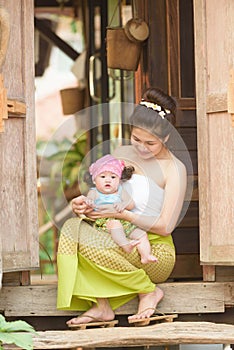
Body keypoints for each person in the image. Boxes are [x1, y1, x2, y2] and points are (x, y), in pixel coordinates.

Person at [57, 86, 187, 326]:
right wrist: (84, 204)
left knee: (90, 244)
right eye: (136, 139)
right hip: (117, 239)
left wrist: (125, 214)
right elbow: (104, 193)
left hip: (153, 252)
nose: (142, 147)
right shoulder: (121, 153)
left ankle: (148, 290)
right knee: (72, 229)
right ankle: (101, 306)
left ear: (167, 137)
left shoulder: (174, 169)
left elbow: (165, 227)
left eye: (151, 143)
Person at [80, 154, 158, 263]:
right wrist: (89, 202)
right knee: (115, 225)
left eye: (113, 177)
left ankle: (146, 255)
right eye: (102, 177)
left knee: (142, 234)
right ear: (94, 180)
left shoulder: (120, 191)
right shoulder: (94, 192)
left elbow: (131, 204)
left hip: (125, 222)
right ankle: (126, 245)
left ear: (119, 180)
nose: (108, 180)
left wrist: (124, 204)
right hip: (106, 222)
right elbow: (89, 203)